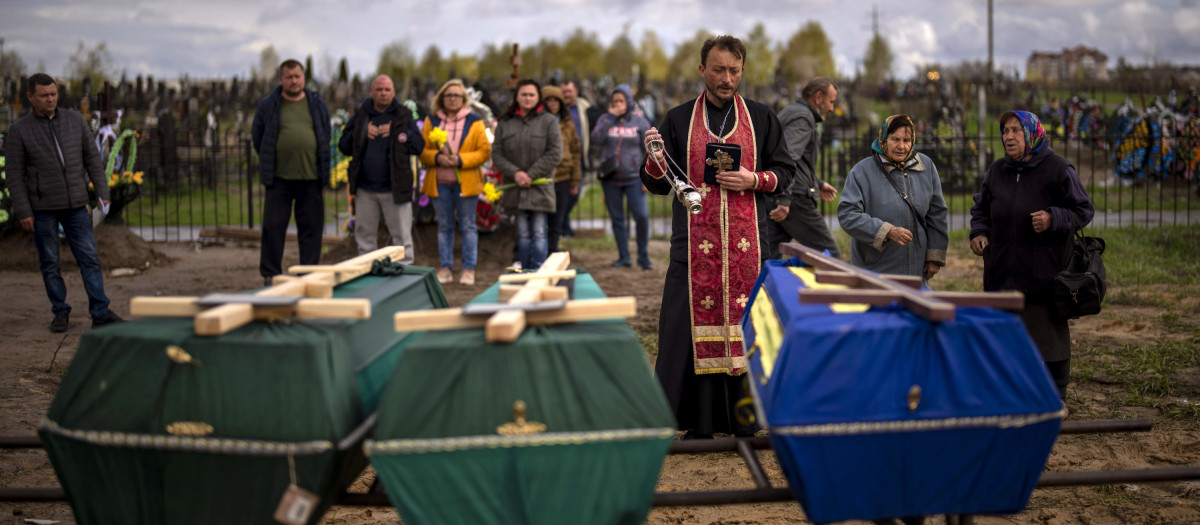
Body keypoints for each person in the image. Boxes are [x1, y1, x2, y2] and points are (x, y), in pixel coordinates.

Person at [641, 35, 795, 439]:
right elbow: (659, 185)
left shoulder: (762, 117)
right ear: (702, 70)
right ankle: (699, 421)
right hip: (693, 250)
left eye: (734, 70)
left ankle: (747, 419)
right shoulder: (676, 119)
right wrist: (655, 159)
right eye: (719, 69)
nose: (727, 78)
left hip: (748, 247)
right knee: (683, 331)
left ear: (742, 71)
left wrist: (753, 179)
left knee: (749, 328)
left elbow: (786, 172)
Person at [969, 110, 1094, 399]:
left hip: (1044, 275)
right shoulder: (997, 170)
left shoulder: (1059, 169)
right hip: (1002, 272)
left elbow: (1083, 210)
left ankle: (1055, 398)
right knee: (1004, 341)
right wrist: (979, 233)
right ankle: (1009, 398)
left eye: (1015, 130)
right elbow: (981, 209)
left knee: (1049, 341)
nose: (1008, 136)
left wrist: (1054, 218)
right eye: (1005, 131)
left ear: (1032, 133)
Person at [5, 73, 124, 332]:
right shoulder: (19, 131)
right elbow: (14, 175)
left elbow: (92, 158)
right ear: (30, 97)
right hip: (43, 209)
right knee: (49, 263)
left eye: (53, 94)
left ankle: (100, 312)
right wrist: (23, 210)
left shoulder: (74, 121)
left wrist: (102, 192)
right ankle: (60, 312)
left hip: (76, 205)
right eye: (44, 95)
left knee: (89, 259)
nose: (50, 99)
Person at [837, 114, 948, 282]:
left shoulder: (926, 167)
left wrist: (934, 255)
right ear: (883, 139)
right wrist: (886, 231)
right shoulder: (862, 171)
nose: (901, 146)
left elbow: (937, 213)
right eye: (895, 139)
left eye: (907, 140)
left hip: (916, 272)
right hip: (874, 271)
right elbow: (847, 214)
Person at [252, 59, 331, 284]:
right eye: (289, 77)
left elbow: (324, 133)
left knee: (312, 231)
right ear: (281, 79)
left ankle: (307, 276)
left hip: (311, 177)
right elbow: (258, 137)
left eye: (297, 76)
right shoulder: (269, 105)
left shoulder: (317, 104)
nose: (294, 81)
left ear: (303, 78)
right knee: (273, 228)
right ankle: (271, 274)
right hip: (279, 179)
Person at [338, 74, 423, 264]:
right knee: (365, 238)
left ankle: (404, 276)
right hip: (365, 190)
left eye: (387, 90)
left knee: (401, 238)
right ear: (371, 92)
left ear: (393, 92)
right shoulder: (361, 115)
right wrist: (360, 134)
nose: (383, 93)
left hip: (395, 189)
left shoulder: (403, 115)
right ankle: (367, 274)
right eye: (379, 89)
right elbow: (343, 146)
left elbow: (418, 146)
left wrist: (397, 132)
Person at [419, 79, 492, 286]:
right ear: (441, 98)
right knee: (444, 226)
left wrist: (460, 160)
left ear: (464, 99)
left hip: (466, 183)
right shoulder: (432, 121)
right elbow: (422, 150)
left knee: (468, 225)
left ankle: (468, 269)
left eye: (456, 96)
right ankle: (445, 267)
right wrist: (437, 158)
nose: (452, 99)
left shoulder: (475, 121)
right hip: (439, 182)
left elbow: (484, 151)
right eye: (448, 95)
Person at [491, 79, 563, 270]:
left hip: (539, 187)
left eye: (532, 94)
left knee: (539, 232)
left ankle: (538, 270)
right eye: (523, 94)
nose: (527, 98)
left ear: (538, 97)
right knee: (522, 233)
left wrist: (530, 174)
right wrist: (516, 174)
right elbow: (497, 153)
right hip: (516, 188)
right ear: (516, 97)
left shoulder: (548, 121)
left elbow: (555, 153)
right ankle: (525, 269)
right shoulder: (505, 123)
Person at [768, 77, 842, 258]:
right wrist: (785, 199)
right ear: (818, 98)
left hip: (783, 194)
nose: (832, 108)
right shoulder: (803, 118)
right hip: (795, 199)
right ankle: (814, 287)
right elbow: (788, 159)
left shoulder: (791, 111)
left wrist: (818, 183)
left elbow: (795, 161)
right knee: (830, 255)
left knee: (769, 256)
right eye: (831, 101)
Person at [592, 84, 653, 269]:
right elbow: (595, 139)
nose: (618, 104)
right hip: (610, 179)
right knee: (617, 219)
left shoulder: (640, 122)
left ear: (628, 101)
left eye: (621, 100)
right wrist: (611, 117)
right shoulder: (605, 119)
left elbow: (649, 151)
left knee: (641, 216)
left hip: (634, 178)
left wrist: (647, 178)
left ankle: (643, 256)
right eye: (615, 101)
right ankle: (624, 257)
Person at [540, 85, 582, 255]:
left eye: (555, 100)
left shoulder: (568, 124)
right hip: (543, 178)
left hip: (563, 177)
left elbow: (575, 151)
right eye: (548, 100)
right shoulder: (539, 122)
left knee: (557, 220)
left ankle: (552, 251)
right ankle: (538, 253)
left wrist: (575, 180)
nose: (552, 104)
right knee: (541, 221)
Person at [560, 81, 591, 237]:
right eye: (564, 91)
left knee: (575, 193)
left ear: (576, 91)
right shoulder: (558, 109)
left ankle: (563, 221)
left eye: (569, 91)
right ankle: (563, 226)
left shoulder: (584, 107)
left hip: (579, 156)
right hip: (563, 157)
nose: (567, 94)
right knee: (564, 193)